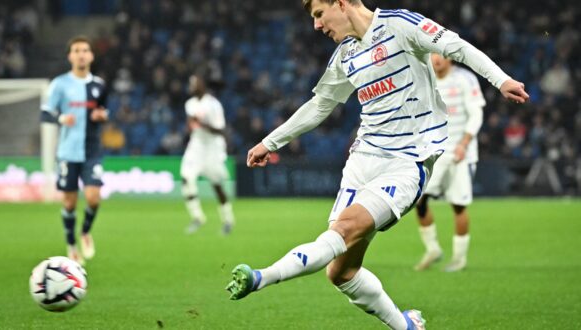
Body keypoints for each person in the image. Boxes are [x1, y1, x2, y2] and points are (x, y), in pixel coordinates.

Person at [225, 1, 529, 329]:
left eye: (318, 14)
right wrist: (269, 143)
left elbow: (455, 46)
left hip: (407, 162)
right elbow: (320, 105)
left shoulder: (400, 25)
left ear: (341, 3)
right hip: (362, 161)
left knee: (342, 231)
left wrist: (501, 80)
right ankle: (407, 326)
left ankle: (260, 277)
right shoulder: (346, 54)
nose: (316, 26)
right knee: (340, 271)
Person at [40, 36, 108, 265]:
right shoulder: (60, 84)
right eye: (76, 50)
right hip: (68, 151)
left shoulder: (99, 85)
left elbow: (102, 112)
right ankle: (71, 244)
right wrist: (61, 117)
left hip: (91, 150)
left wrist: (102, 116)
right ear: (70, 56)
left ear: (91, 56)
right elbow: (45, 113)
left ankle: (85, 232)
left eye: (85, 50)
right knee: (69, 203)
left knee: (93, 198)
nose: (81, 54)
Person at [414, 54, 485, 272]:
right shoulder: (424, 78)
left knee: (458, 204)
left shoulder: (465, 79)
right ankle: (433, 248)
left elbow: (476, 114)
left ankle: (459, 258)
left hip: (459, 152)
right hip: (433, 152)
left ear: (450, 59)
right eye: (432, 55)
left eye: (440, 56)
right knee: (418, 199)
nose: (435, 60)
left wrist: (464, 144)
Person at [181, 74, 235, 235]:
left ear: (202, 84)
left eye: (195, 83)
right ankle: (198, 217)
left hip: (213, 147)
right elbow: (190, 125)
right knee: (186, 177)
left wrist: (201, 124)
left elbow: (220, 130)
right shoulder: (189, 104)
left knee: (217, 185)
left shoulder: (213, 104)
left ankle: (228, 219)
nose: (192, 86)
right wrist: (191, 126)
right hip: (197, 145)